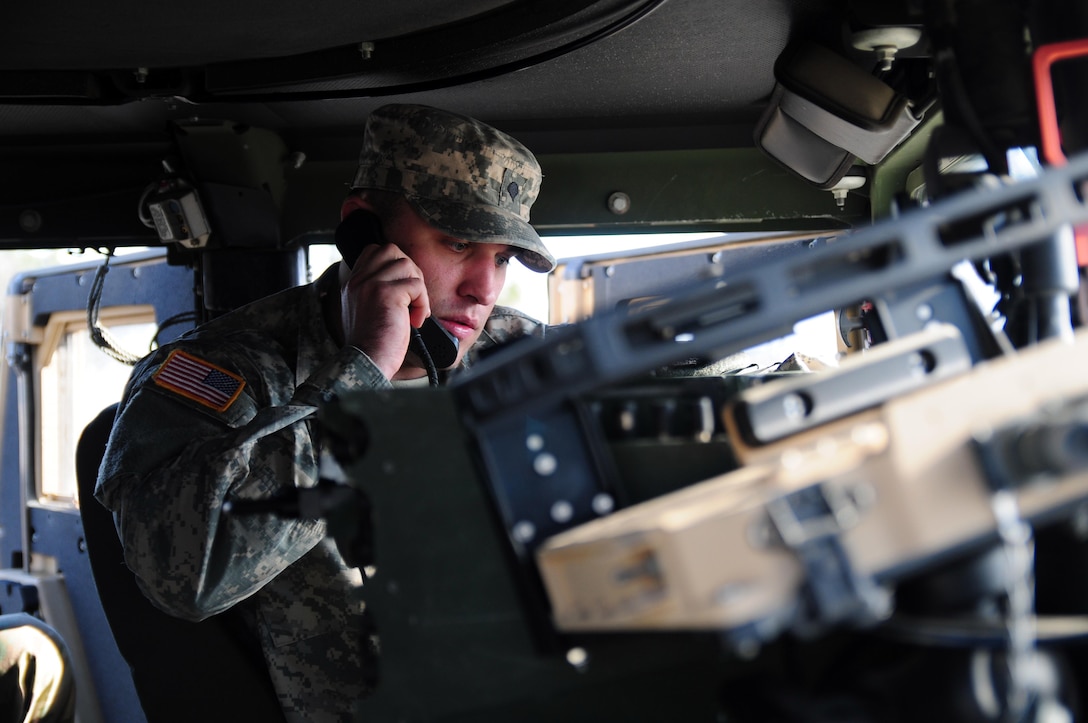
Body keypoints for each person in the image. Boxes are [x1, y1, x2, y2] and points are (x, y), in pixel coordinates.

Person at [94, 104, 555, 722]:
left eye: (501, 258)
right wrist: (364, 372)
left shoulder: (519, 356)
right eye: (460, 242)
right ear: (364, 231)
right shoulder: (233, 372)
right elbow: (188, 577)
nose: (484, 288)